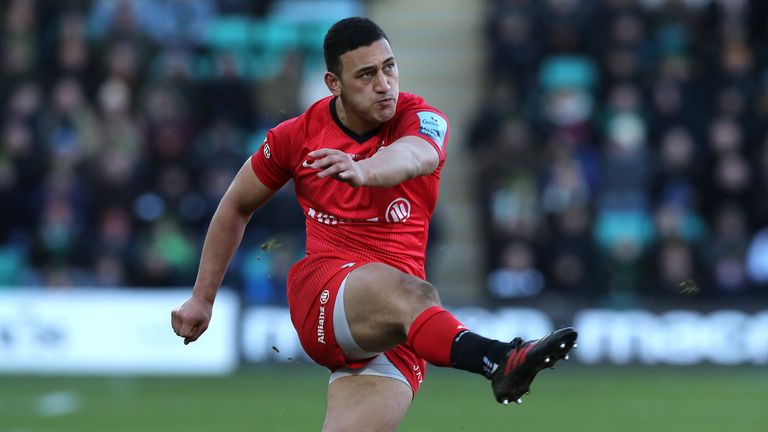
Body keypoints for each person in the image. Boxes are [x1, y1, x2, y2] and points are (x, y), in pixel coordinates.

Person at [171, 17, 577, 431]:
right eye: (366, 74)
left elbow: (414, 156)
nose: (384, 84)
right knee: (413, 291)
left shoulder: (422, 118)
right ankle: (499, 358)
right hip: (324, 293)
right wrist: (203, 298)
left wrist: (364, 170)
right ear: (334, 83)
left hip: (402, 325)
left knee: (408, 299)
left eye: (389, 67)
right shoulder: (295, 137)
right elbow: (235, 205)